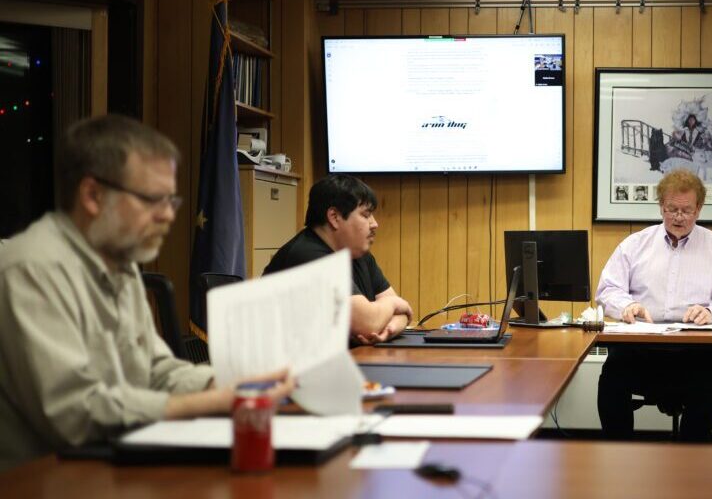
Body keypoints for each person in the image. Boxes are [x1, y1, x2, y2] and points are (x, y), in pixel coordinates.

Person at [0, 115, 294, 471]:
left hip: (113, 469)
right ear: (93, 195)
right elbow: (74, 413)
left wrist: (232, 381)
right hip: (50, 480)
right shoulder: (32, 268)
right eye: (153, 199)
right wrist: (217, 401)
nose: (168, 216)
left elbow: (156, 372)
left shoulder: (118, 262)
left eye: (172, 201)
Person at [595, 169, 712, 441]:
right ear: (661, 206)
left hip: (696, 352)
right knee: (612, 377)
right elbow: (608, 289)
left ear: (699, 209)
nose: (678, 217)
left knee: (710, 382)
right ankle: (617, 455)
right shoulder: (634, 245)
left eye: (686, 210)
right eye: (672, 209)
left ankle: (689, 460)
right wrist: (627, 305)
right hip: (643, 350)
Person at [263, 174, 411, 344]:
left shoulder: (357, 254)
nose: (374, 223)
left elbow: (401, 315)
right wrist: (392, 304)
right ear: (334, 217)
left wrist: (389, 328)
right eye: (366, 215)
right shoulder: (308, 257)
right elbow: (368, 323)